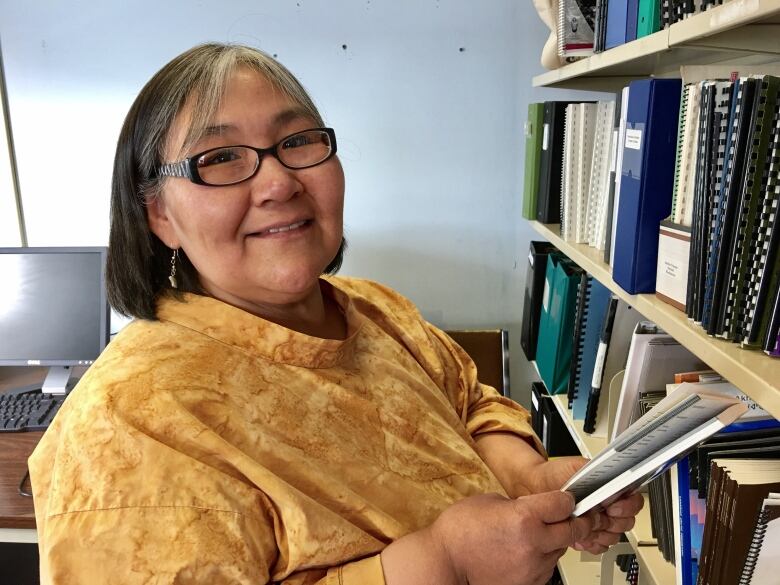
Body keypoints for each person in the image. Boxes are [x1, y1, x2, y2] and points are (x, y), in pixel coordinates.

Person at [29, 43, 642, 585]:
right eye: (218, 158)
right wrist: (445, 565)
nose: (277, 182)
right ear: (158, 214)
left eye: (297, 142)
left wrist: (524, 476)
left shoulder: (374, 307)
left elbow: (469, 403)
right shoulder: (125, 425)